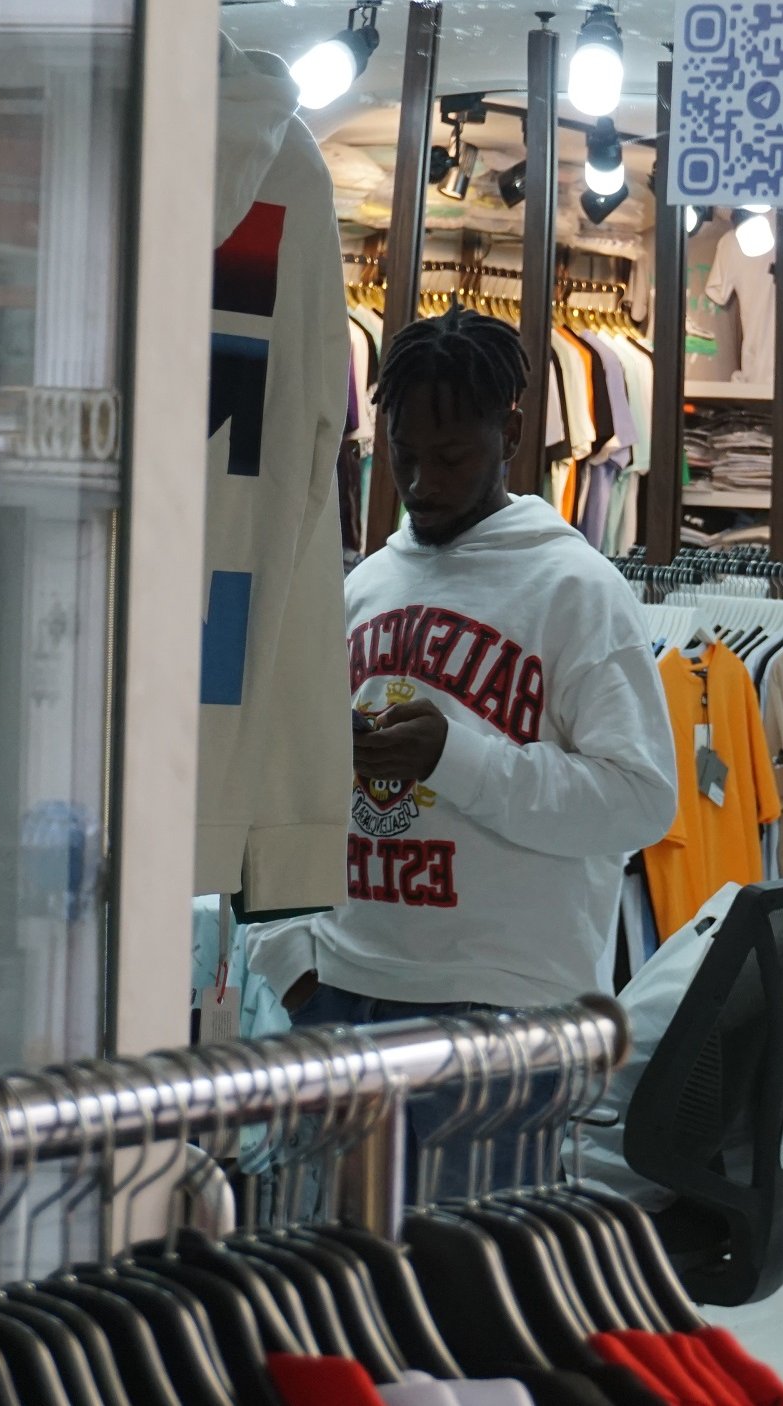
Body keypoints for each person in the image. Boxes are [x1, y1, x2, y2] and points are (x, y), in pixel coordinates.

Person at [251, 307, 679, 1039]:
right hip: (339, 991)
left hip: (506, 1006)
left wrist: (454, 757)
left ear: (510, 436)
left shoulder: (576, 590)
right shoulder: (366, 585)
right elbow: (286, 773)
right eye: (403, 453)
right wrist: (287, 958)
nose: (421, 484)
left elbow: (641, 802)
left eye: (450, 458)